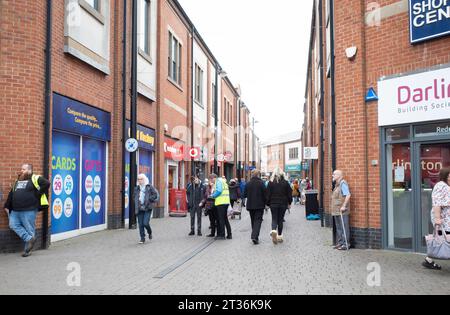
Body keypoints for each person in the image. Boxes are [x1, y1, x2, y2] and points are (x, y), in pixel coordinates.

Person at [4, 164, 50, 257]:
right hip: (16, 209)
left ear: (29, 170)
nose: (21, 170)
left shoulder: (35, 178)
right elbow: (12, 193)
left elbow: (47, 183)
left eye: (23, 169)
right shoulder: (18, 180)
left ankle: (27, 251)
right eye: (21, 169)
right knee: (13, 224)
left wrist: (38, 194)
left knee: (29, 228)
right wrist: (7, 205)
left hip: (29, 209)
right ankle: (29, 239)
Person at [423, 168, 450, 270]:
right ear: (445, 176)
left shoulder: (447, 186)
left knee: (444, 240)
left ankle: (428, 260)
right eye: (449, 176)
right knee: (443, 240)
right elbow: (437, 203)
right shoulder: (440, 186)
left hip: (447, 219)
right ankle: (429, 259)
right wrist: (437, 219)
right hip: (444, 219)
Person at [267, 169, 292, 245]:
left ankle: (274, 230)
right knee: (280, 219)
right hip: (283, 203)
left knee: (274, 218)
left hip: (273, 203)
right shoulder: (286, 183)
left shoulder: (270, 183)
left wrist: (268, 203)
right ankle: (280, 236)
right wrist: (289, 202)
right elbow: (289, 193)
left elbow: (267, 194)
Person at [134, 174, 159, 244]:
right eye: (138, 179)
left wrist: (149, 199)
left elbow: (155, 195)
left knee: (145, 223)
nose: (139, 181)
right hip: (139, 208)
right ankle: (142, 238)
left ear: (144, 179)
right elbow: (134, 197)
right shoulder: (136, 188)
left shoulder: (149, 187)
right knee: (140, 224)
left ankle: (149, 232)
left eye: (141, 179)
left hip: (147, 208)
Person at [244, 169, 267, 245]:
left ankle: (255, 236)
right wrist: (266, 203)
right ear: (258, 175)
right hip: (259, 205)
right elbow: (265, 194)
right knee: (258, 221)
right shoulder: (261, 183)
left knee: (253, 220)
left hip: (250, 205)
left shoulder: (248, 183)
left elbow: (244, 195)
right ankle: (254, 236)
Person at [331, 170, 351, 250]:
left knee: (344, 227)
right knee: (339, 227)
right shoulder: (337, 185)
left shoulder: (343, 184)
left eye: (334, 174)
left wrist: (344, 206)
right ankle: (340, 243)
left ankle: (346, 244)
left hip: (342, 210)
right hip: (336, 210)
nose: (332, 175)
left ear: (339, 175)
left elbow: (348, 195)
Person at [209, 174, 232, 240]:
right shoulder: (223, 181)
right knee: (225, 219)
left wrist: (212, 196)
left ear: (214, 178)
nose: (211, 181)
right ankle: (229, 234)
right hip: (226, 201)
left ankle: (222, 235)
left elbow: (219, 191)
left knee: (221, 219)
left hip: (221, 203)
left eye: (211, 179)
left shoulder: (218, 181)